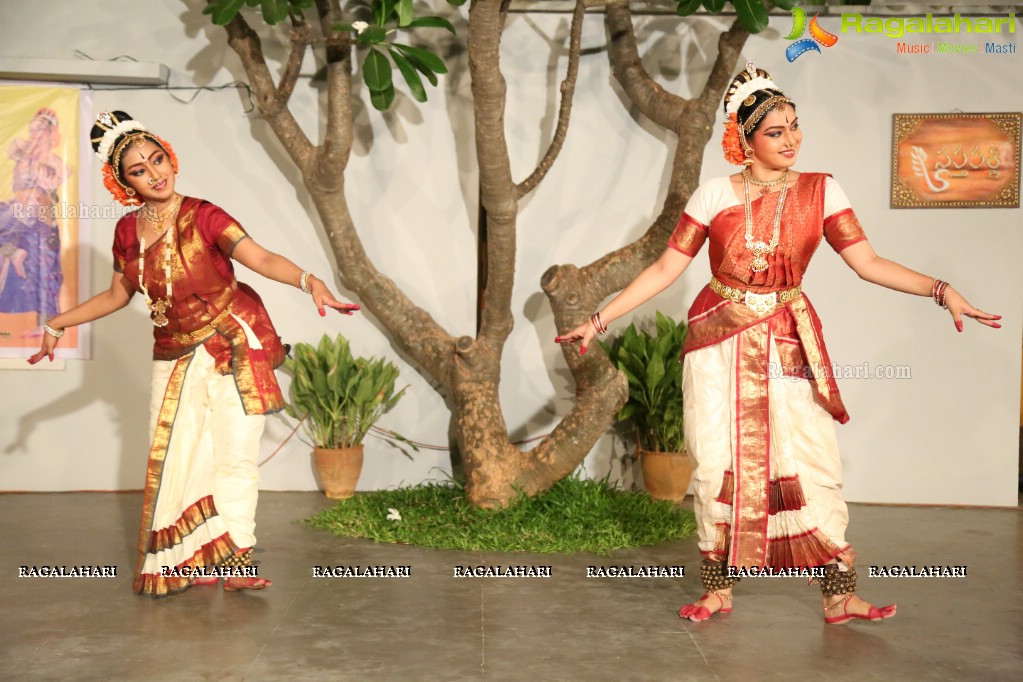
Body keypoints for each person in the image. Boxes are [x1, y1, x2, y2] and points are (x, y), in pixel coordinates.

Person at [556, 63, 1000, 624]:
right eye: (775, 131)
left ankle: (839, 596)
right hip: (717, 339)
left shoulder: (821, 189)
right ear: (744, 139)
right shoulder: (713, 194)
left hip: (786, 341)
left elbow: (867, 263)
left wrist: (941, 290)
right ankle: (718, 590)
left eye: (795, 126)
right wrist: (596, 322)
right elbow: (666, 268)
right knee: (715, 461)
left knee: (810, 460)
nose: (791, 139)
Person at [29, 111, 360, 597]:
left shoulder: (205, 215)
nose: (155, 172)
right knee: (176, 457)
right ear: (124, 183)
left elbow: (262, 259)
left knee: (234, 454)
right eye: (140, 169)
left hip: (231, 344)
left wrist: (310, 282)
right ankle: (190, 558)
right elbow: (117, 297)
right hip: (173, 355)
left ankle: (238, 557)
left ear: (170, 157)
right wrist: (57, 323)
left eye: (157, 159)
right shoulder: (126, 232)